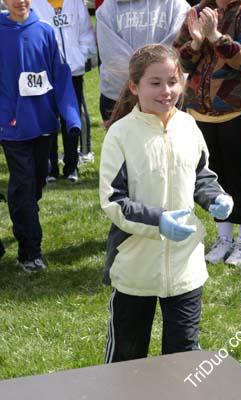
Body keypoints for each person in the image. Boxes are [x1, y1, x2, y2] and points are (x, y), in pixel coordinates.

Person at [99, 44, 233, 363]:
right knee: (127, 358)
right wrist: (158, 221)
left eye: (172, 81)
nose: (166, 91)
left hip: (186, 266)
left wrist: (215, 197)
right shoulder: (120, 136)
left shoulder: (188, 126)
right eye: (155, 83)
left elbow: (201, 174)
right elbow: (114, 200)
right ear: (135, 86)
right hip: (135, 267)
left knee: (183, 357)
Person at [174, 0, 241, 265]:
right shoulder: (199, 10)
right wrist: (195, 43)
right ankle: (223, 238)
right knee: (214, 176)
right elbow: (180, 61)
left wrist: (215, 37)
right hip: (201, 110)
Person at [0, 0, 81, 272]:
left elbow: (60, 77)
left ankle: (23, 219)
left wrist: (71, 118)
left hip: (42, 125)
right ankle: (29, 252)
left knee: (33, 185)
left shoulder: (45, 31)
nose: (19, 1)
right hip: (10, 127)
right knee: (23, 184)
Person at [32, 0, 97, 182]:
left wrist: (81, 56)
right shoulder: (34, 4)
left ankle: (71, 166)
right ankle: (50, 168)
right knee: (48, 118)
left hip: (73, 72)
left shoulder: (75, 2)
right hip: (46, 72)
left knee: (71, 119)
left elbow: (86, 32)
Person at [96, 0, 191, 122]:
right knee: (120, 140)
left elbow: (176, 49)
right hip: (118, 97)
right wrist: (147, 81)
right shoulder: (108, 8)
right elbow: (111, 55)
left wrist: (149, 82)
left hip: (165, 98)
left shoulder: (177, 5)